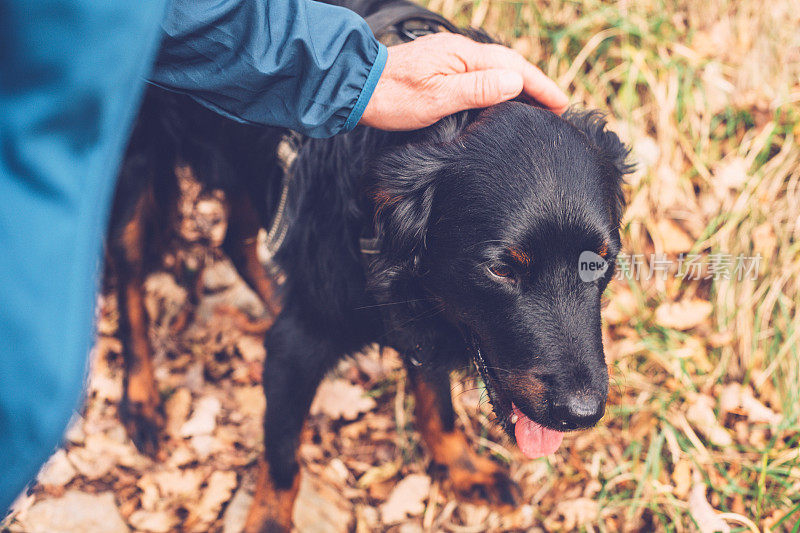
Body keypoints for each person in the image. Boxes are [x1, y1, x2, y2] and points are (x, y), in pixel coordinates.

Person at [0, 0, 567, 509]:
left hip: (288, 62)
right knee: (131, 229)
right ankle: (136, 349)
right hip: (167, 102)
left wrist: (362, 75)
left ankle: (441, 440)